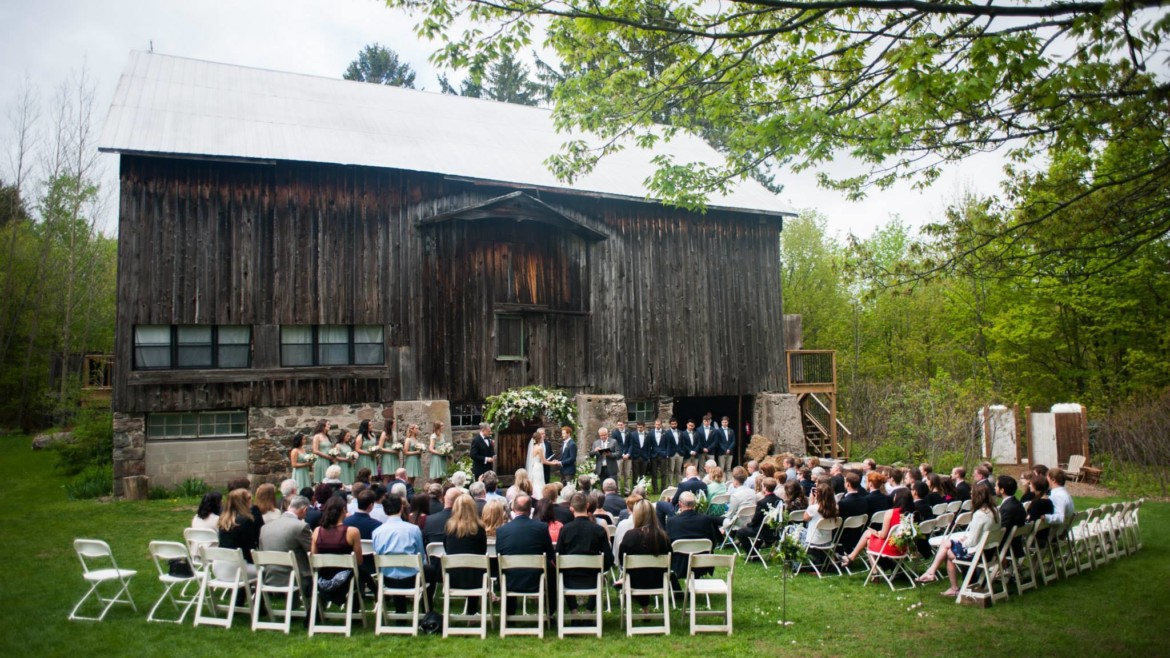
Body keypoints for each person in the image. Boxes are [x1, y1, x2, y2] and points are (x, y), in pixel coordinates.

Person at [916, 484, 1000, 595]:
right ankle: (932, 573)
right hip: (990, 550)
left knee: (948, 550)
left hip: (978, 553)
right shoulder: (994, 510)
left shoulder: (979, 514)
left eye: (971, 494)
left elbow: (972, 542)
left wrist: (963, 540)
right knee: (947, 547)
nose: (970, 495)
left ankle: (948, 584)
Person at [372, 493, 435, 615]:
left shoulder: (377, 532)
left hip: (387, 579)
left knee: (395, 568)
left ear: (384, 510)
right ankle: (427, 609)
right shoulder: (413, 529)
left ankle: (400, 611)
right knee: (430, 571)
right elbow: (421, 555)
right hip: (412, 578)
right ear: (401, 508)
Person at [494, 495, 555, 614]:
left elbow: (499, 554)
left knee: (505, 569)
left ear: (513, 508)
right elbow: (550, 553)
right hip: (536, 579)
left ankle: (509, 613)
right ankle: (550, 612)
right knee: (551, 570)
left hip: (510, 580)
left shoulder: (502, 530)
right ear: (530, 509)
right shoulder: (541, 528)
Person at [556, 492, 613, 613]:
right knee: (600, 577)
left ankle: (574, 610)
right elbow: (608, 557)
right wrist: (602, 568)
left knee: (562, 574)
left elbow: (558, 556)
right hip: (593, 576)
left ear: (571, 508)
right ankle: (589, 610)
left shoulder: (565, 530)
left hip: (570, 577)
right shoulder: (598, 530)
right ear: (587, 506)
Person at [616, 499, 671, 613]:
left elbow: (622, 559)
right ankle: (645, 608)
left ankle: (645, 608)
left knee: (638, 573)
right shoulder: (662, 536)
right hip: (658, 580)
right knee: (645, 572)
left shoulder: (630, 535)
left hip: (634, 581)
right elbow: (670, 557)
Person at [841, 489, 915, 567]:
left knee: (868, 539)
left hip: (891, 547)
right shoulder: (911, 513)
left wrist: (878, 533)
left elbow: (883, 536)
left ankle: (852, 558)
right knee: (868, 536)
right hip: (904, 547)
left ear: (897, 498)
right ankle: (855, 560)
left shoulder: (891, 512)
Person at [311, 496, 362, 606]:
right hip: (345, 581)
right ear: (344, 510)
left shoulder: (317, 531)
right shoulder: (352, 532)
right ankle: (374, 593)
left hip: (322, 580)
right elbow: (358, 561)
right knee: (362, 570)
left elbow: (314, 559)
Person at [443, 493, 488, 614]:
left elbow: (447, 549)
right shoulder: (479, 528)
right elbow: (482, 551)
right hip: (475, 578)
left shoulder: (449, 527)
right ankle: (472, 612)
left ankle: (471, 612)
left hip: (453, 576)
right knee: (475, 568)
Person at [259, 494, 313, 596]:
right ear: (305, 510)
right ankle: (314, 609)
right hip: (294, 577)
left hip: (269, 576)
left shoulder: (265, 527)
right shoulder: (301, 526)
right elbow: (313, 551)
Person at [666, 491, 722, 580]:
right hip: (702, 564)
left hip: (679, 565)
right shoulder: (706, 520)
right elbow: (713, 543)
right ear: (695, 504)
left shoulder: (672, 521)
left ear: (680, 504)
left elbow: (668, 545)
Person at [215, 488, 263, 581]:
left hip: (219, 567)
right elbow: (249, 548)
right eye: (249, 498)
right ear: (242, 502)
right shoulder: (245, 521)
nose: (251, 500)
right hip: (237, 569)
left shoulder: (223, 521)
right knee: (265, 569)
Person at [736, 478, 781, 555]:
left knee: (740, 532)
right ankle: (754, 551)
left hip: (763, 530)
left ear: (765, 488)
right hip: (775, 530)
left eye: (762, 486)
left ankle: (752, 554)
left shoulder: (762, 503)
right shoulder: (780, 500)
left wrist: (749, 525)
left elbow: (756, 519)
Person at [803, 482, 840, 549]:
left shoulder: (813, 508)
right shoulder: (835, 507)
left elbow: (805, 518)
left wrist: (811, 504)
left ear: (818, 495)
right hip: (828, 541)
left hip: (812, 542)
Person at [997, 475, 1027, 554]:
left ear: (1002, 490)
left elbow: (1002, 531)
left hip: (1007, 548)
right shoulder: (1018, 504)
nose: (994, 488)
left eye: (996, 486)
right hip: (1015, 544)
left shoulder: (1007, 508)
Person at [527, 428, 559, 498]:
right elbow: (543, 461)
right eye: (541, 436)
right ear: (539, 439)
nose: (543, 437)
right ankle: (540, 497)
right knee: (540, 484)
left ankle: (534, 497)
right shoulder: (539, 448)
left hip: (535, 467)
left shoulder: (534, 447)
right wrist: (553, 463)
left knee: (535, 483)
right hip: (539, 467)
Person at [1043, 467, 1076, 533]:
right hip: (1060, 532)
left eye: (1047, 479)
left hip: (1054, 534)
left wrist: (1044, 517)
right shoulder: (1064, 494)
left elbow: (1060, 517)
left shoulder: (1057, 496)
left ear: (1053, 480)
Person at [1026, 475, 1054, 545]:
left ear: (1036, 486)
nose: (1029, 486)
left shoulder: (1037, 503)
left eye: (1030, 484)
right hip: (1044, 535)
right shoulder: (1049, 501)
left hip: (1035, 538)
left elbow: (1032, 522)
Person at [611, 421, 634, 495]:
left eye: (621, 425)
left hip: (628, 457)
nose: (620, 426)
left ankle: (627, 491)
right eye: (618, 425)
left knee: (627, 474)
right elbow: (615, 445)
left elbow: (631, 444)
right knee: (618, 475)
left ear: (624, 425)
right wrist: (621, 455)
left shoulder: (628, 432)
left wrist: (628, 454)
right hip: (619, 456)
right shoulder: (614, 433)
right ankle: (618, 492)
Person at [377, 419, 401, 483]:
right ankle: (385, 492)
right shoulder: (384, 433)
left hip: (394, 456)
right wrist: (392, 451)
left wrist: (398, 449)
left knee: (394, 475)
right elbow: (380, 447)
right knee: (387, 476)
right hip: (387, 456)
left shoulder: (395, 433)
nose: (394, 424)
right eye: (393, 423)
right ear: (390, 424)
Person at [310, 420, 333, 484]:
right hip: (321, 460)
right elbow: (315, 450)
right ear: (323, 425)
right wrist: (327, 457)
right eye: (328, 424)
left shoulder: (327, 436)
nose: (329, 426)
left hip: (328, 460)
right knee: (322, 480)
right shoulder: (317, 436)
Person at [665, 418, 683, 487]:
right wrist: (667, 453)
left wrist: (682, 451)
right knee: (671, 470)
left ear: (677, 424)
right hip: (671, 454)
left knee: (678, 470)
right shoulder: (667, 433)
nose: (674, 425)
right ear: (670, 424)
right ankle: (670, 485)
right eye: (672, 424)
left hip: (680, 453)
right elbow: (666, 444)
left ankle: (678, 484)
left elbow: (682, 443)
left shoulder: (680, 432)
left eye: (675, 424)